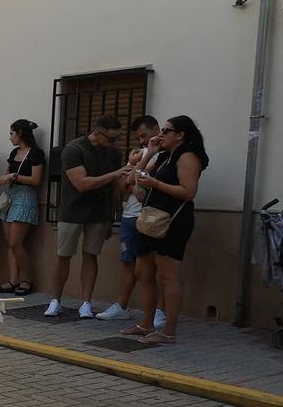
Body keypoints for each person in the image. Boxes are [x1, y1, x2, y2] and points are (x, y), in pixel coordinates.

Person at [123, 116, 208, 344]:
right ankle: (146, 324)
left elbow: (188, 192)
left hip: (172, 220)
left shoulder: (187, 156)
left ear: (180, 135)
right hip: (151, 217)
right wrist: (149, 154)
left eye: (166, 131)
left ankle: (169, 332)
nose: (160, 135)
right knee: (143, 272)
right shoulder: (163, 156)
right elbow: (131, 178)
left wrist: (155, 184)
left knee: (167, 276)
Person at [46, 115, 129, 318]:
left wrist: (112, 216)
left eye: (117, 138)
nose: (114, 142)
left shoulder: (113, 153)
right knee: (63, 255)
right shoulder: (74, 149)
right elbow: (81, 183)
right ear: (97, 133)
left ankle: (86, 303)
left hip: (99, 212)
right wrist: (115, 174)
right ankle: (55, 300)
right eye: (111, 138)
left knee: (91, 256)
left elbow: (114, 187)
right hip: (72, 210)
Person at [97, 115, 167, 327]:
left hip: (152, 217)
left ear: (156, 129)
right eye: (138, 138)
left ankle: (159, 311)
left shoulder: (164, 154)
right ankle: (121, 306)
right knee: (129, 262)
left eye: (144, 136)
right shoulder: (137, 155)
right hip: (130, 216)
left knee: (156, 266)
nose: (142, 141)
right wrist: (133, 176)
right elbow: (124, 183)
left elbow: (143, 178)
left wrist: (136, 172)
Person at [0, 119, 45, 296]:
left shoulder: (36, 153)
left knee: (16, 243)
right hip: (11, 196)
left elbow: (36, 180)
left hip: (25, 197)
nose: (10, 138)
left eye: (12, 134)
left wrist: (13, 176)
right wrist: (6, 178)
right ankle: (13, 280)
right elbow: (7, 173)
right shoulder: (14, 152)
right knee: (9, 241)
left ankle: (26, 280)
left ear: (20, 133)